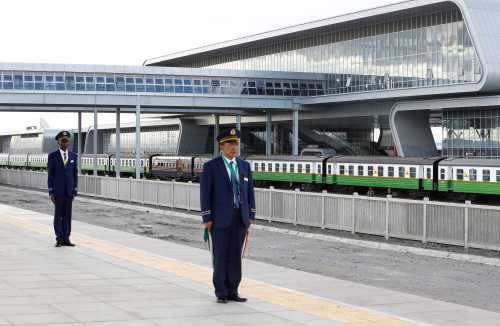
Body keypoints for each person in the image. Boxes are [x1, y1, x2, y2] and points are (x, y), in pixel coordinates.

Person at [200, 127, 256, 304]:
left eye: (237, 143)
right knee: (221, 256)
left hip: (240, 218)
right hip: (219, 220)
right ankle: (221, 291)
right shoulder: (211, 167)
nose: (234, 147)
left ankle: (233, 290)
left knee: (235, 257)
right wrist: (207, 218)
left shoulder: (244, 166)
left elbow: (250, 192)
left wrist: (251, 215)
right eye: (230, 143)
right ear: (221, 146)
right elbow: (205, 194)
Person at [47, 130, 78, 247]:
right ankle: (59, 238)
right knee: (58, 215)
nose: (65, 143)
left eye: (66, 141)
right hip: (57, 191)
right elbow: (50, 175)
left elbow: (75, 174)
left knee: (67, 216)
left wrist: (75, 190)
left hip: (69, 191)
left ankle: (66, 238)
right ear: (58, 142)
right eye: (63, 141)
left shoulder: (73, 156)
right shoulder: (53, 156)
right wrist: (51, 192)